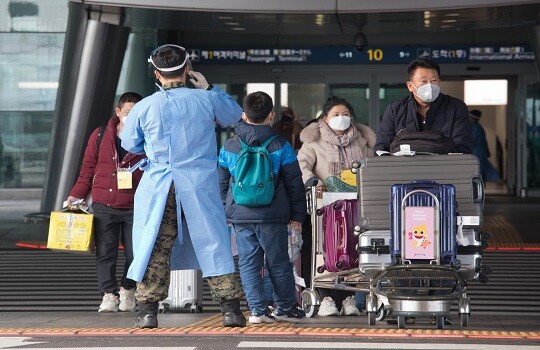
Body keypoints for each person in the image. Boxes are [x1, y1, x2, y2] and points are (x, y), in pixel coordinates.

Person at [119, 44, 246, 328]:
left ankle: (148, 311)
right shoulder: (205, 99)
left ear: (156, 73)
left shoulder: (144, 106)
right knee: (213, 240)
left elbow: (129, 143)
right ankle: (231, 310)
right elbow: (234, 115)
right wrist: (209, 88)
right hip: (199, 182)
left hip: (160, 183)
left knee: (153, 244)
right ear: (187, 69)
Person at [218, 91, 307, 324]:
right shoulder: (280, 145)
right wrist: (297, 215)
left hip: (241, 215)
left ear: (244, 115)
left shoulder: (230, 145)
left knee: (248, 262)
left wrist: (227, 208)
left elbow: (221, 182)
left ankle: (257, 311)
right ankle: (285, 307)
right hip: (272, 215)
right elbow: (294, 184)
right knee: (277, 262)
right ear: (271, 115)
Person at [297, 95, 376, 316]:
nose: (341, 118)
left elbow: (372, 165)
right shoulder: (314, 141)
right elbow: (301, 164)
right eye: (336, 115)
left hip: (354, 207)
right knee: (325, 252)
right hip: (325, 207)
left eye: (345, 114)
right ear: (325, 118)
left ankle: (348, 298)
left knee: (351, 251)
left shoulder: (362, 140)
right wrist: (313, 182)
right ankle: (326, 299)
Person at [66, 92, 145, 313]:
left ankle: (127, 289)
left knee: (135, 253)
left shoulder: (148, 135)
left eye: (137, 112)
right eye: (129, 112)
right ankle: (109, 295)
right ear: (118, 112)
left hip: (136, 204)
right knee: (105, 252)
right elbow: (88, 168)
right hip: (104, 203)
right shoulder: (101, 134)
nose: (133, 116)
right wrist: (75, 195)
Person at [374, 57, 472, 154]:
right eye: (423, 81)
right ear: (410, 86)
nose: (429, 86)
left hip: (443, 168)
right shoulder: (395, 110)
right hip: (405, 168)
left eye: (434, 81)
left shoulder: (456, 107)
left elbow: (462, 147)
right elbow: (382, 147)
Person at [469, 110, 501, 182]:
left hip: (475, 153)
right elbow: (484, 142)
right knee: (481, 170)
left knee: (476, 171)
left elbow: (472, 141)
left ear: (472, 118)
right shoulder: (480, 128)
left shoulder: (473, 128)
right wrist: (487, 152)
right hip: (481, 153)